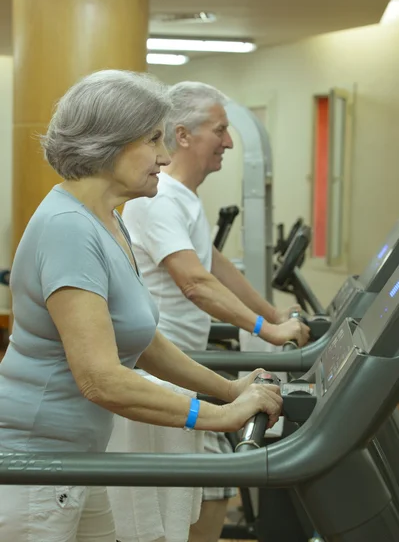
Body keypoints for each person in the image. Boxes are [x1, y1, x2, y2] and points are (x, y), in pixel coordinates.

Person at [0, 71, 283, 542]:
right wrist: (213, 416)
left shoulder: (108, 221)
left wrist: (227, 390)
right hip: (37, 461)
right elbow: (100, 378)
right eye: (153, 140)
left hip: (79, 457)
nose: (166, 157)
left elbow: (144, 341)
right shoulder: (68, 228)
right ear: (110, 143)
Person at [108, 81, 310, 542]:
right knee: (215, 480)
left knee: (212, 486)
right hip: (161, 364)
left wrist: (273, 316)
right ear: (183, 135)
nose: (229, 141)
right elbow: (196, 283)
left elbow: (212, 264)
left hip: (184, 362)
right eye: (220, 130)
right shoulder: (157, 201)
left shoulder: (182, 199)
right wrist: (268, 330)